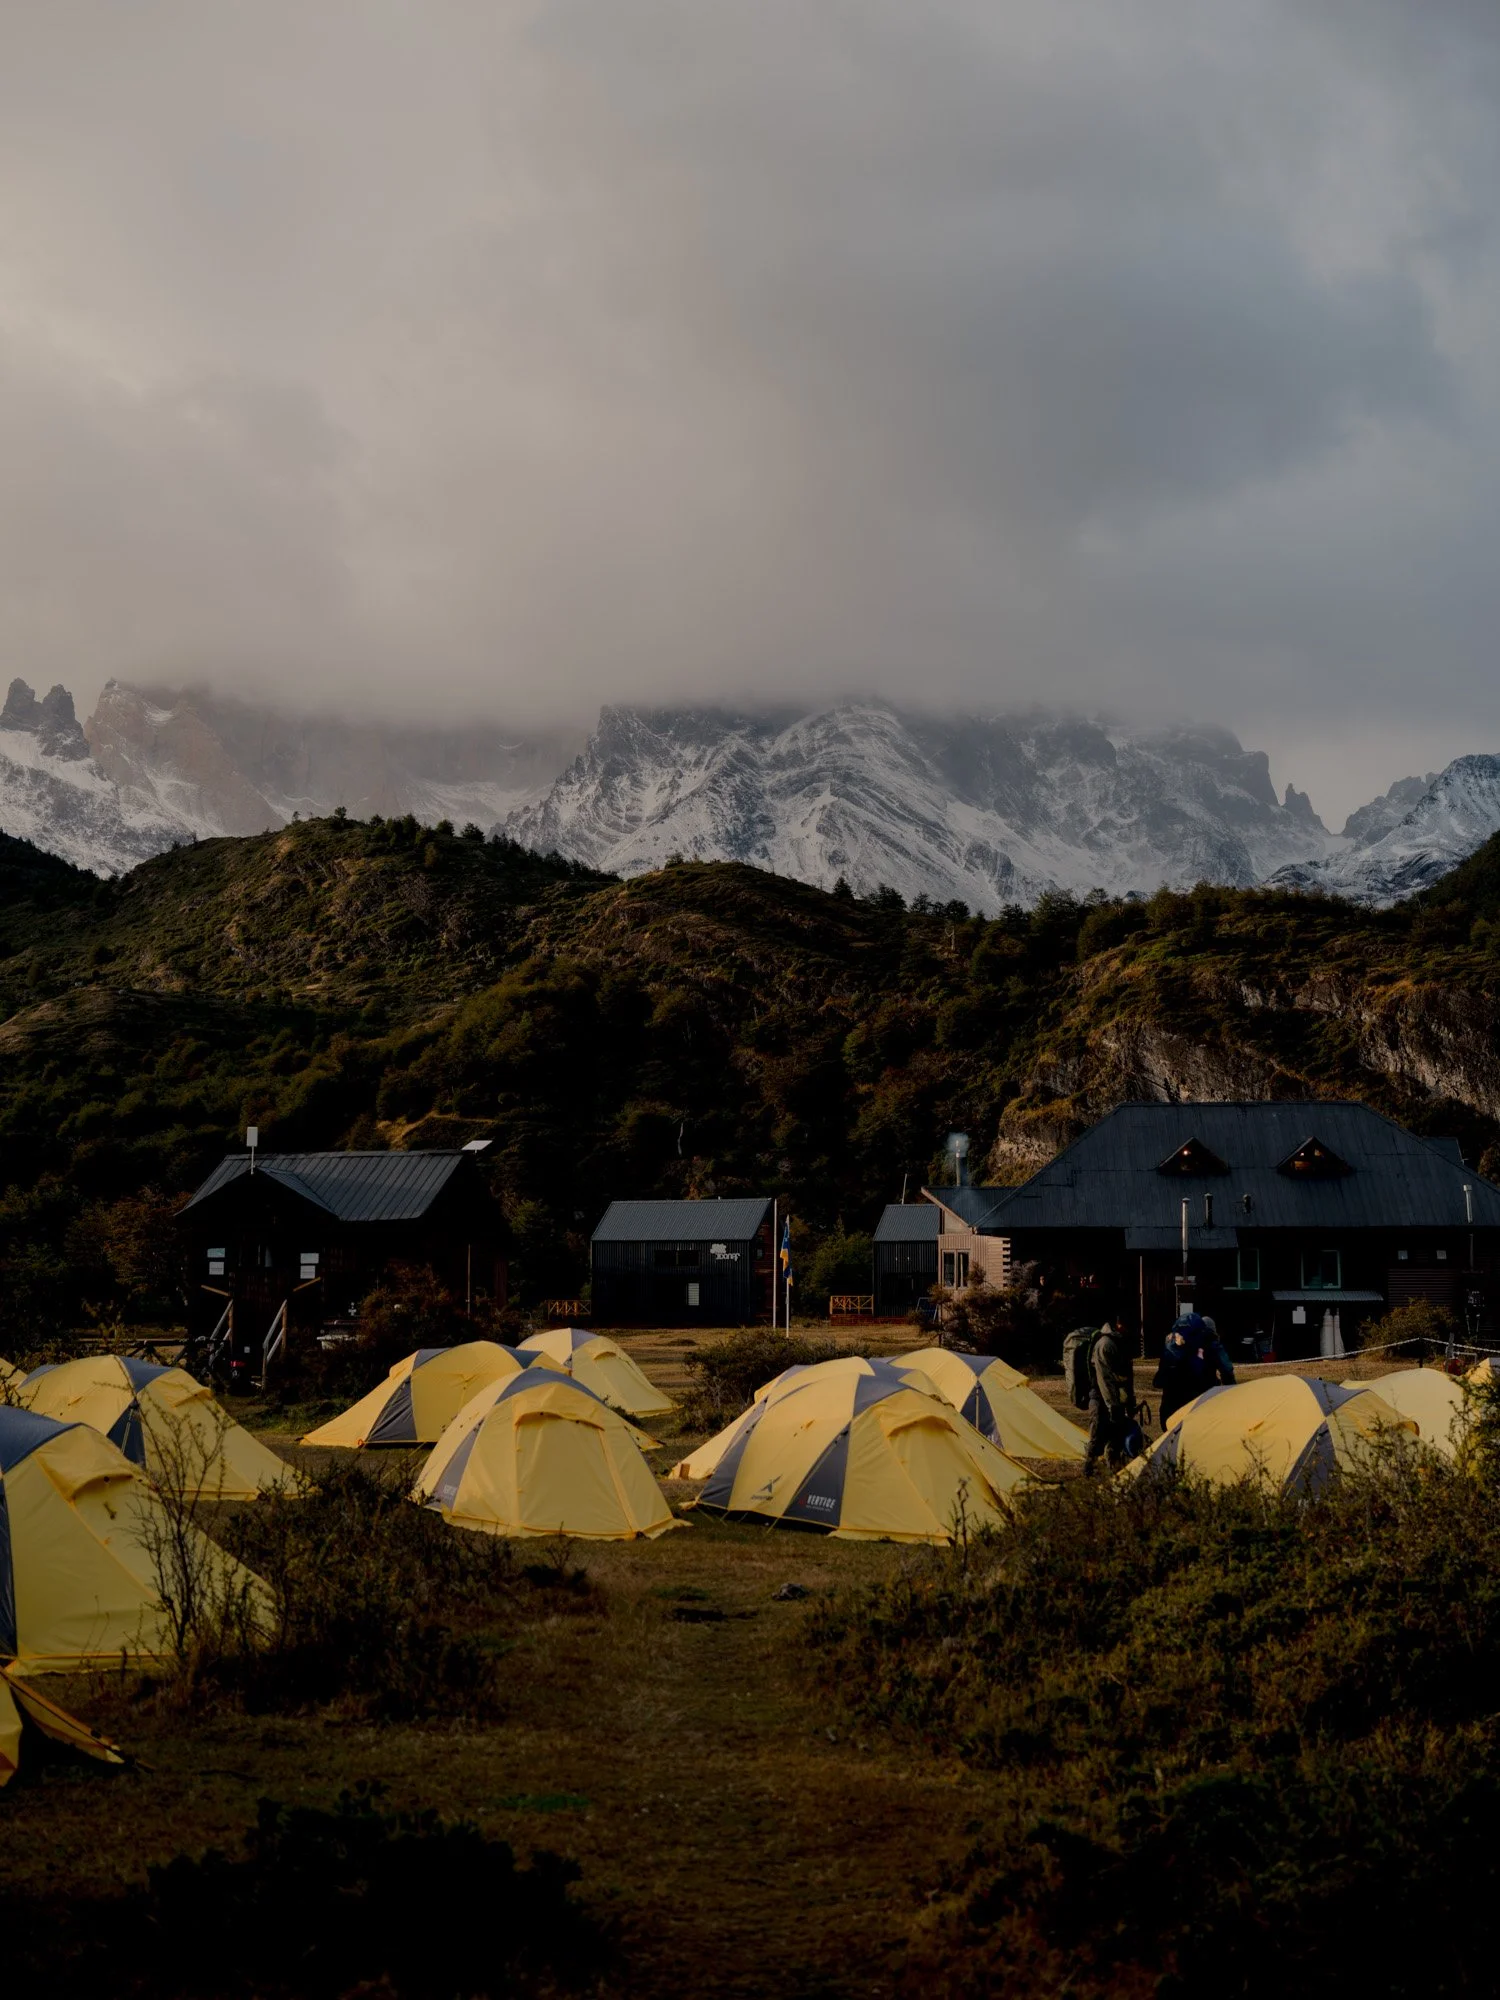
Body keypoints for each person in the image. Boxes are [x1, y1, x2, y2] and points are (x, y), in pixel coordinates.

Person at [1154, 1312, 1235, 1427]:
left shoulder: (1171, 1347)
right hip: (1196, 1410)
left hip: (1171, 1413)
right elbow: (1227, 1370)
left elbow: (1158, 1381)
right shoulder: (1209, 1346)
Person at [1085, 1311, 1135, 1473]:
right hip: (1100, 1396)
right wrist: (1113, 1405)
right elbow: (1104, 1379)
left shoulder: (1120, 1342)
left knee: (1116, 1433)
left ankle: (1114, 1469)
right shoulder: (1105, 1344)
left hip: (1114, 1397)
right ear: (1118, 1324)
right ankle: (1089, 1468)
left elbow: (1127, 1375)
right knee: (1098, 1432)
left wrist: (1129, 1400)